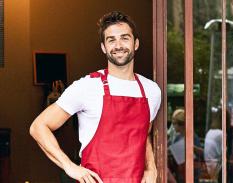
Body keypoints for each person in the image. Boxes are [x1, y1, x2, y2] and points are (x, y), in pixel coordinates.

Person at [29, 11, 161, 183]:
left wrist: (150, 167)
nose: (118, 45)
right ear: (103, 47)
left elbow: (145, 134)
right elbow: (38, 127)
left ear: (135, 44)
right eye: (111, 40)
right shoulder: (87, 86)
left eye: (124, 38)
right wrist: (69, 166)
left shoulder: (151, 91)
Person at [167, 109, 203, 183]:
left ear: (181, 124)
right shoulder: (178, 138)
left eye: (174, 123)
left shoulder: (192, 137)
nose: (173, 126)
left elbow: (201, 154)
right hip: (180, 173)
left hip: (191, 173)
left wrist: (190, 147)